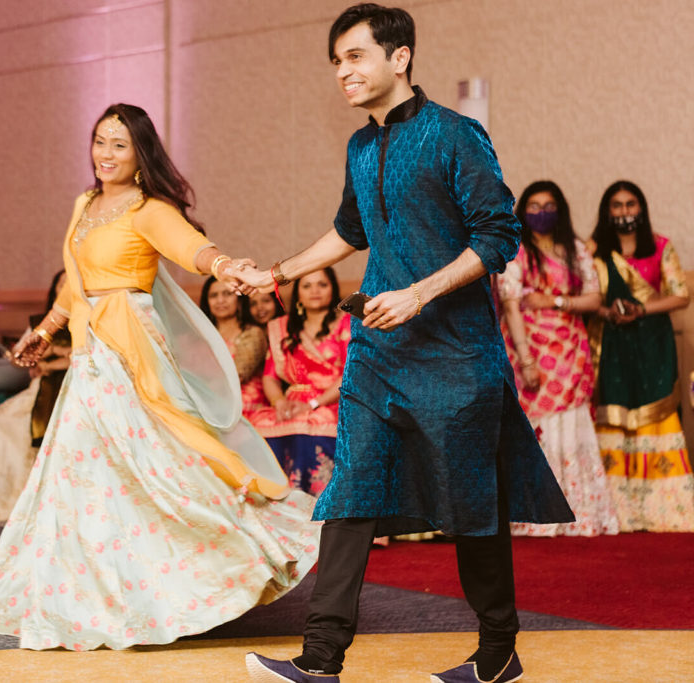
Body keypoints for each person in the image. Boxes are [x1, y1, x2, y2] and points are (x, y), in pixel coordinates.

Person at [236, 6, 573, 682]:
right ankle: (321, 658)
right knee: (351, 492)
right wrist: (279, 270)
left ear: (400, 58)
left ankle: (497, 651)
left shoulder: (457, 135)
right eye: (336, 60)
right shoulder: (361, 147)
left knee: (472, 503)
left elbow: (497, 236)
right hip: (378, 356)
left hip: (457, 354)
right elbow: (350, 230)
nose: (343, 72)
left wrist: (419, 292)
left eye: (355, 56)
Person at [0, 103, 319, 651]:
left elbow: (192, 249)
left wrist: (232, 269)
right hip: (88, 351)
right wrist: (48, 329)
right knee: (84, 467)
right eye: (99, 142)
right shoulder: (85, 203)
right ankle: (95, 594)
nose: (105, 154)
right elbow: (77, 280)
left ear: (139, 154)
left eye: (118, 145)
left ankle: (223, 559)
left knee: (152, 457)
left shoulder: (149, 208)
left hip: (130, 348)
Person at [496, 181, 618, 537]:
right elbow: (510, 305)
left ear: (560, 209)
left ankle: (576, 510)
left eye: (548, 205)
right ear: (522, 212)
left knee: (570, 424)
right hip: (527, 347)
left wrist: (555, 302)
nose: (541, 212)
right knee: (537, 428)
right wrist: (526, 359)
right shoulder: (514, 250)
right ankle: (534, 516)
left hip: (569, 348)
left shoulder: (574, 250)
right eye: (533, 206)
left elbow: (594, 299)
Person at [588, 180, 694, 532]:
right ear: (607, 211)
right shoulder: (593, 251)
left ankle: (663, 509)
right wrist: (609, 312)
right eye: (616, 206)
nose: (624, 212)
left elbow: (680, 296)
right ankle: (616, 511)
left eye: (630, 204)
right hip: (612, 344)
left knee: (655, 415)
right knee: (615, 416)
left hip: (652, 344)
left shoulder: (660, 247)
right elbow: (582, 295)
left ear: (641, 208)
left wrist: (640, 309)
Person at [0, 270, 72, 521]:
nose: (65, 287)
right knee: (1, 421)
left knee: (20, 428)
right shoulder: (40, 323)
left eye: (70, 282)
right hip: (39, 387)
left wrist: (53, 362)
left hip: (71, 386)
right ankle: (1, 498)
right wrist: (24, 359)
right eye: (60, 283)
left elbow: (86, 355)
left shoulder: (88, 317)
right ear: (54, 290)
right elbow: (22, 355)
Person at [247, 268, 349, 495]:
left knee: (314, 418)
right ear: (297, 293)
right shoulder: (281, 327)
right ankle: (276, 505)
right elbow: (270, 377)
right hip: (291, 402)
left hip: (334, 399)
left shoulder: (347, 323)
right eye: (307, 285)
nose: (315, 291)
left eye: (322, 284)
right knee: (260, 423)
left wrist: (314, 403)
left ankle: (319, 503)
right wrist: (280, 402)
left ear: (333, 289)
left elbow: (350, 374)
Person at [199, 276, 269, 418]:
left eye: (227, 294)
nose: (220, 300)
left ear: (239, 300)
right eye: (214, 295)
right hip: (208, 400)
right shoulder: (199, 336)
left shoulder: (253, 334)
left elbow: (236, 375)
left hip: (245, 404)